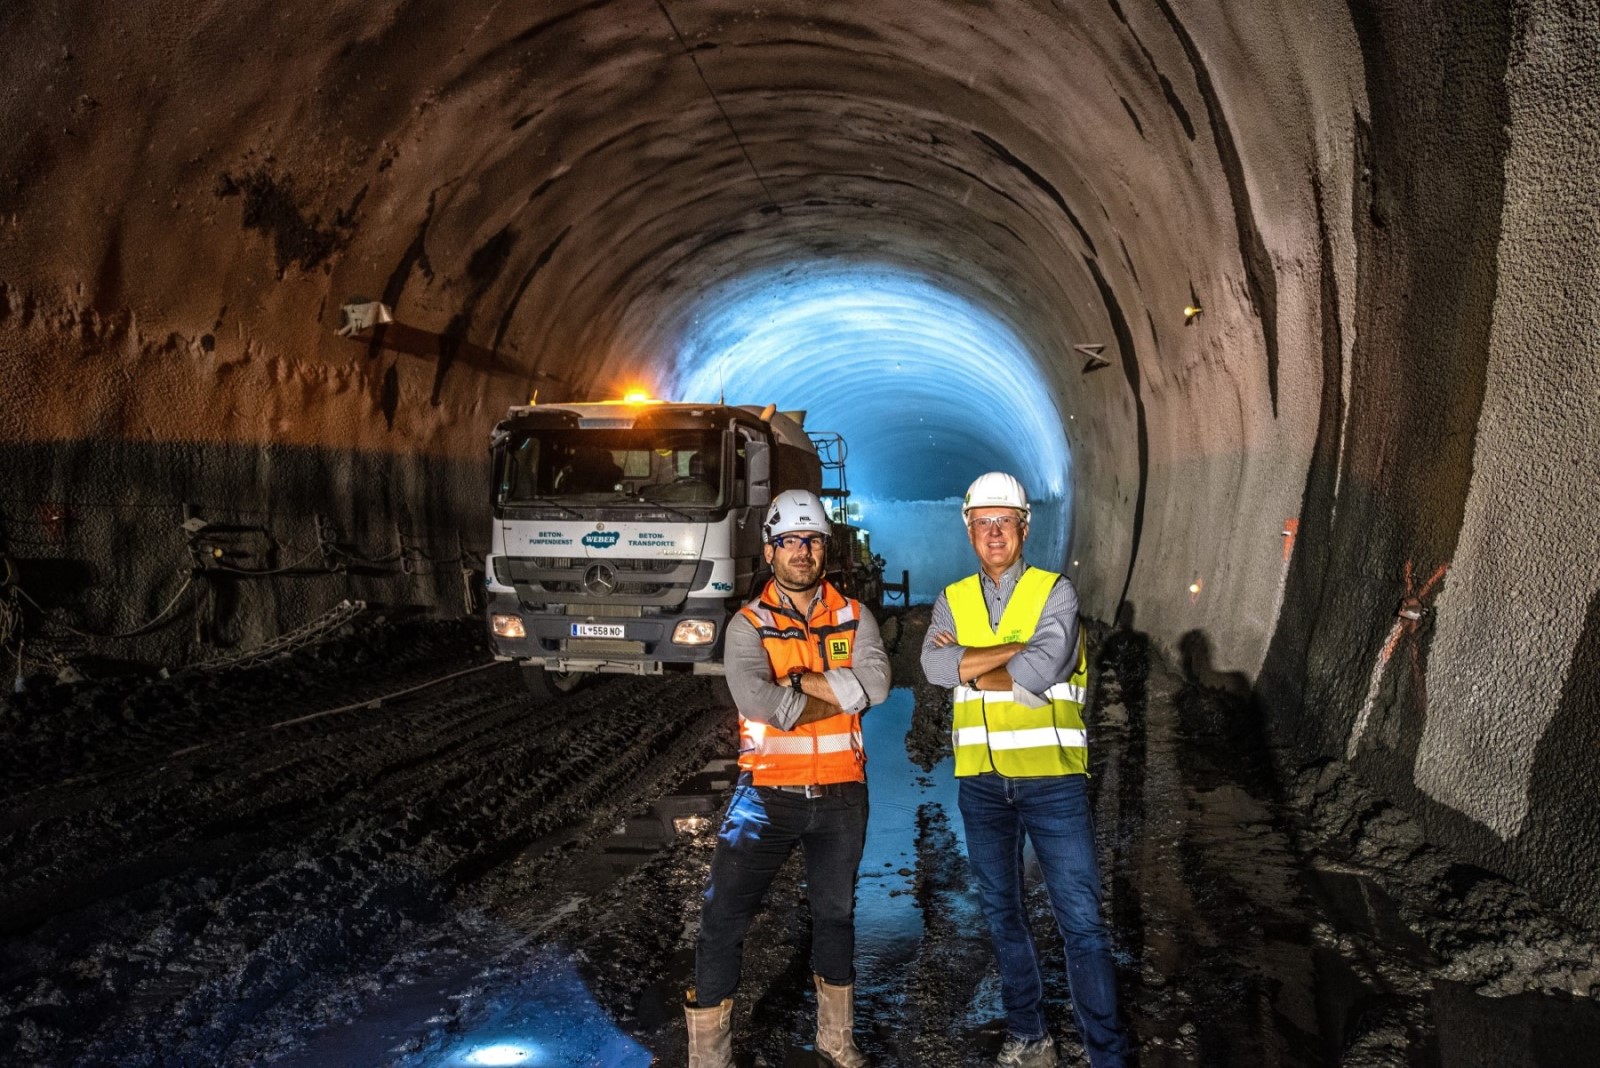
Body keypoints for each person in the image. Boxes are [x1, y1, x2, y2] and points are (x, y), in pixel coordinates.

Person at [919, 472, 1127, 1068]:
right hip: (981, 784)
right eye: (982, 522)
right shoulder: (952, 597)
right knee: (1003, 915)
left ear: (1023, 526)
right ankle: (1029, 1036)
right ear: (968, 528)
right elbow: (933, 666)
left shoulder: (1054, 591)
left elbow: (1048, 663)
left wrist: (969, 663)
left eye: (1003, 521)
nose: (993, 533)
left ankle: (1106, 1055)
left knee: (1082, 922)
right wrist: (1014, 655)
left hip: (1051, 782)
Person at [686, 488, 891, 1068]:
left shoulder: (856, 615)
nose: (802, 551)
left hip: (842, 796)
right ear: (770, 551)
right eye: (790, 541)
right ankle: (709, 1057)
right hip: (766, 795)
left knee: (836, 915)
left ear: (827, 548)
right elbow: (757, 700)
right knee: (723, 917)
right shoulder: (748, 625)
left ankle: (835, 1038)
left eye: (813, 540)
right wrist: (835, 689)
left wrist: (796, 682)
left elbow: (875, 686)